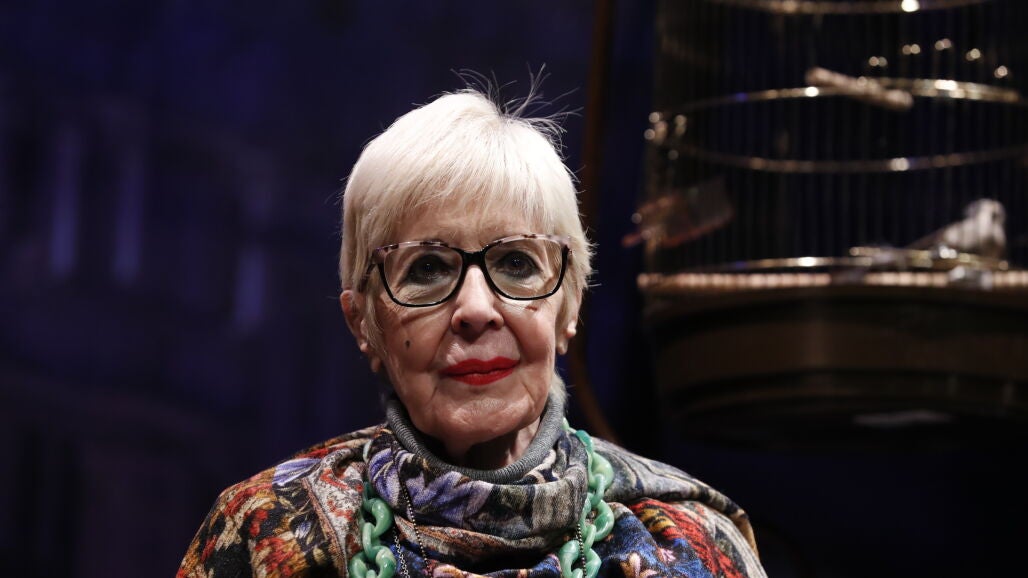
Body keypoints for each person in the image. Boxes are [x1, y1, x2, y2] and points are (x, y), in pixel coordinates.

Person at [177, 84, 767, 578]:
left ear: (569, 306)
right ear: (364, 322)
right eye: (426, 269)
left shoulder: (690, 544)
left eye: (517, 263)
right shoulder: (261, 535)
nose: (477, 309)